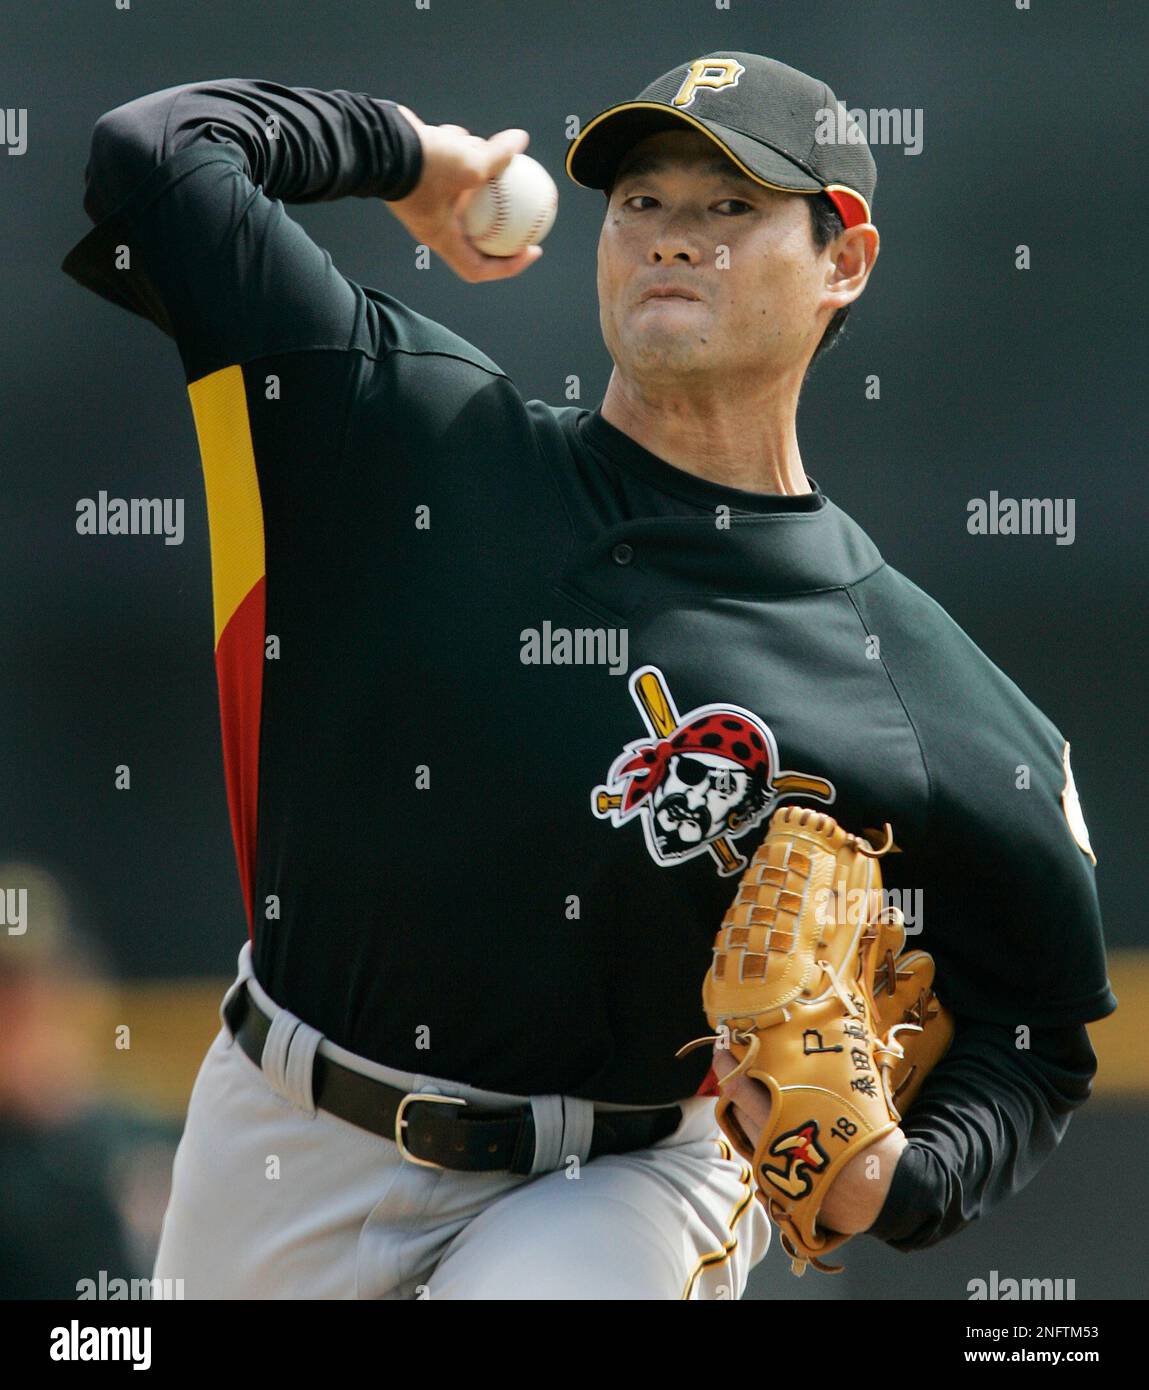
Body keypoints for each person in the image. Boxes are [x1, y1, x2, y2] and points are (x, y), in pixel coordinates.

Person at [62, 51, 1115, 1300]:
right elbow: (155, 151)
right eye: (643, 202)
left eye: (730, 208)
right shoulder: (411, 431)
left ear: (845, 261)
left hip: (612, 1180)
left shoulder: (915, 685)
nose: (674, 238)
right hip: (281, 1126)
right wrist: (411, 153)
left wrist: (913, 1178)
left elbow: (1039, 1027)